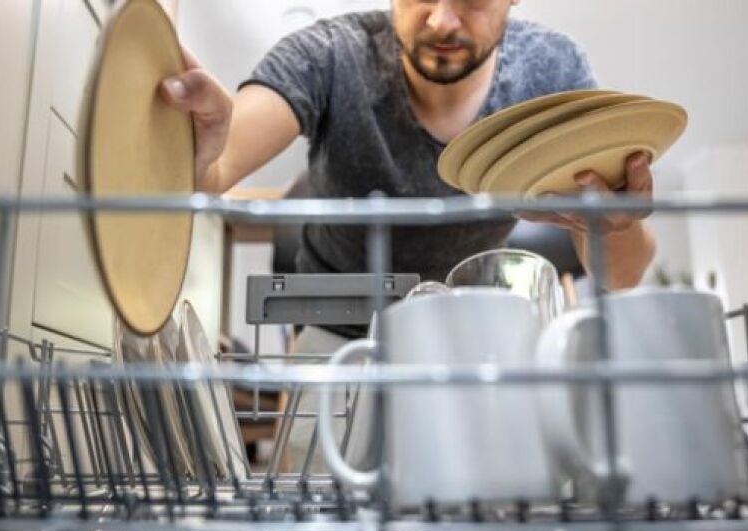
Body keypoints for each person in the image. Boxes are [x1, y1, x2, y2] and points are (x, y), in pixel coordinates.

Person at [161, 0, 656, 469]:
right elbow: (216, 166)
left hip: (466, 339)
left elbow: (623, 273)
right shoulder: (330, 53)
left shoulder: (552, 71)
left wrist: (616, 223)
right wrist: (201, 153)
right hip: (337, 336)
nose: (441, 21)